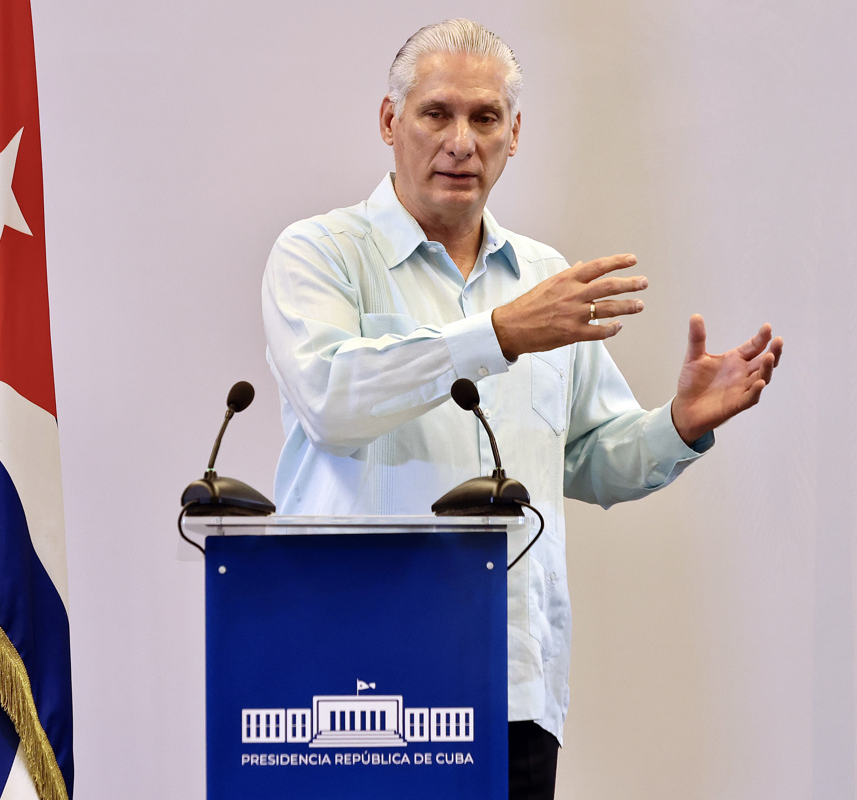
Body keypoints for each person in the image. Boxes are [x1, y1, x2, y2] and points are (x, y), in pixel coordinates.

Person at [261, 18, 782, 800]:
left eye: (485, 117)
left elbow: (591, 459)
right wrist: (498, 334)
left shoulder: (543, 276)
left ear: (515, 134)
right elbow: (333, 400)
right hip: (357, 681)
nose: (461, 141)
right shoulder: (322, 255)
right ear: (388, 120)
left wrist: (677, 424)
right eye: (436, 113)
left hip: (511, 682)